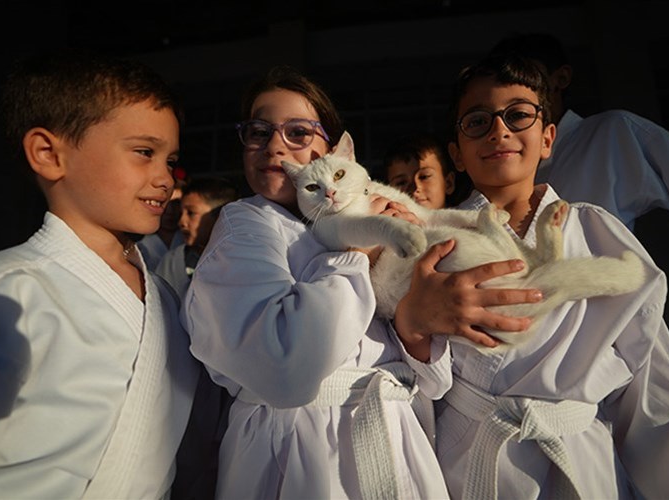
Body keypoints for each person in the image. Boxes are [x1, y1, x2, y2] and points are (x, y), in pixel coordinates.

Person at [179, 65, 543, 499]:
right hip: (300, 453)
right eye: (258, 132)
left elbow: (433, 383)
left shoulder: (370, 213)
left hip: (396, 436)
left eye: (298, 132)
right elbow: (287, 368)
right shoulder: (244, 226)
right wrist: (356, 249)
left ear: (333, 153)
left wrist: (415, 324)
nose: (275, 145)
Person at [435, 52, 669, 499]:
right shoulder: (435, 241)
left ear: (548, 139)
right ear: (457, 155)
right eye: (478, 122)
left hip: (581, 460)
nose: (499, 131)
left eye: (517, 115)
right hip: (467, 464)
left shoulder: (598, 234)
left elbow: (653, 392)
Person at [0, 48, 199, 499]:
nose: (165, 178)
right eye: (144, 152)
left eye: (169, 160)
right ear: (49, 154)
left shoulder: (171, 303)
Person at [487, 32, 669, 290]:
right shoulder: (493, 158)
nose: (516, 88)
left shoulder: (613, 134)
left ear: (561, 78)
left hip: (607, 315)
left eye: (529, 77)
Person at [155, 175, 239, 298]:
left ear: (219, 216)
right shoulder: (172, 261)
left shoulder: (241, 258)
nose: (182, 222)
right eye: (181, 213)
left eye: (191, 213)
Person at [382, 133, 467, 208]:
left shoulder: (471, 222)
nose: (415, 188)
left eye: (424, 177)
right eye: (401, 182)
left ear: (448, 183)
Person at [137, 170, 187, 270]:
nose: (170, 211)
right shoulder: (140, 244)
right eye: (164, 203)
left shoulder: (190, 239)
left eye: (176, 204)